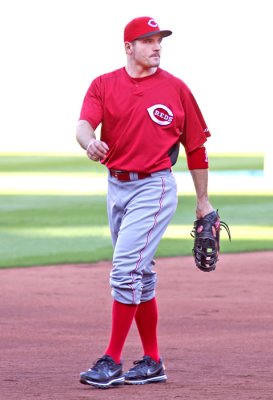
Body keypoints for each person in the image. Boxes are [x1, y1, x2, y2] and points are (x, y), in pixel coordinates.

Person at [76, 16, 214, 389]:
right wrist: (90, 142)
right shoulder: (104, 85)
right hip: (116, 186)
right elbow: (83, 125)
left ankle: (112, 360)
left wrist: (203, 202)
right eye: (148, 40)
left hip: (155, 187)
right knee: (142, 274)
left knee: (124, 270)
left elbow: (197, 148)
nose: (156, 47)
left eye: (159, 40)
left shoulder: (176, 88)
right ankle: (152, 361)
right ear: (129, 47)